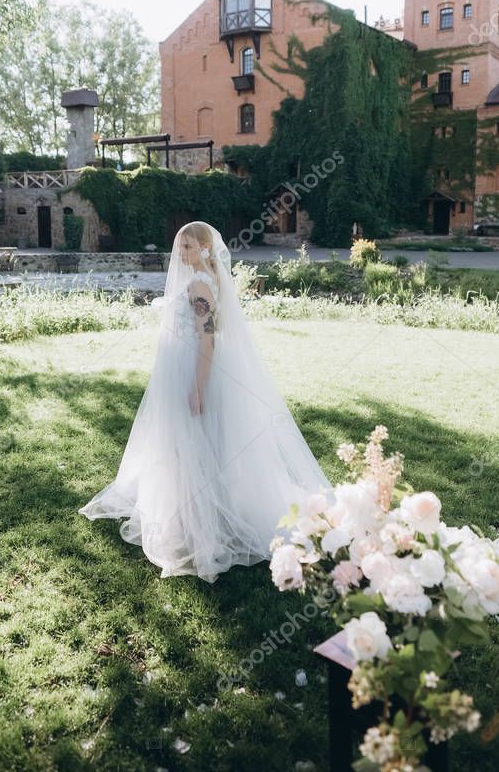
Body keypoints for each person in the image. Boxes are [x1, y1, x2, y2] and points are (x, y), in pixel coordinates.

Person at [78, 220, 332, 583]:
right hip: (185, 366)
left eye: (188, 248)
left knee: (192, 445)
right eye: (179, 248)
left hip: (196, 371)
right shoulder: (205, 276)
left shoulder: (200, 283)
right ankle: (194, 512)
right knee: (192, 445)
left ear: (205, 249)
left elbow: (208, 341)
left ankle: (200, 521)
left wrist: (197, 387)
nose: (181, 254)